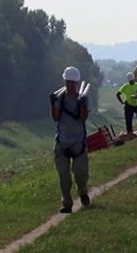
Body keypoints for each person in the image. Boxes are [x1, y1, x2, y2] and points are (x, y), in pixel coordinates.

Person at [50, 66, 90, 213]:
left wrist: (83, 106)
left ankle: (83, 192)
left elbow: (83, 119)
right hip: (62, 143)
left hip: (78, 142)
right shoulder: (59, 97)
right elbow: (56, 118)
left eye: (72, 82)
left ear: (77, 83)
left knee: (81, 173)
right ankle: (67, 204)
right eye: (67, 82)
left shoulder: (82, 98)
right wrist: (53, 104)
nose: (69, 85)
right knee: (64, 178)